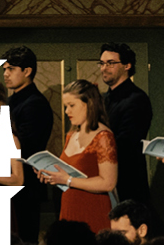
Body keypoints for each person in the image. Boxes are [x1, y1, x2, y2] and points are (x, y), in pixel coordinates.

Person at [35, 80, 117, 233]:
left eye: (72, 106)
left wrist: (68, 180)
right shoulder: (71, 135)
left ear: (89, 104)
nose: (67, 111)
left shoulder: (103, 137)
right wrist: (51, 175)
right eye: (66, 106)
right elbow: (66, 174)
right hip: (69, 206)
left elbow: (108, 183)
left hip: (92, 208)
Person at [4, 46, 55, 242]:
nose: (6, 74)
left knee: (22, 243)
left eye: (11, 69)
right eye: (5, 70)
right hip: (9, 179)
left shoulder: (35, 103)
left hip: (25, 185)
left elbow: (25, 147)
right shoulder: (12, 101)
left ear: (27, 71)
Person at [98, 43, 153, 205]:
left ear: (127, 65)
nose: (104, 68)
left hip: (127, 180)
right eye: (102, 63)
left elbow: (126, 143)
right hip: (104, 177)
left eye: (110, 63)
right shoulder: (103, 99)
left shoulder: (137, 99)